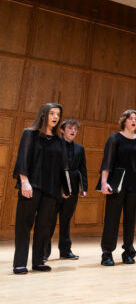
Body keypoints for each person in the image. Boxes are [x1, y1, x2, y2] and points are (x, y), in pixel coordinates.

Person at [12, 103, 67, 274]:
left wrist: (64, 188)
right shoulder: (30, 134)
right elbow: (23, 159)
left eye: (58, 114)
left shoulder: (59, 140)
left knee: (44, 226)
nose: (55, 117)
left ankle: (38, 261)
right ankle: (20, 262)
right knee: (24, 224)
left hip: (51, 188)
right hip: (32, 185)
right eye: (52, 113)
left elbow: (62, 166)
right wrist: (24, 181)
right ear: (44, 115)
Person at [99, 110, 136, 266]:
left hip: (135, 185)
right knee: (111, 219)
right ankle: (107, 253)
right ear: (124, 121)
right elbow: (107, 161)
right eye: (130, 118)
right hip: (117, 184)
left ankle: (128, 252)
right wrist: (103, 182)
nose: (134, 121)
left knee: (131, 220)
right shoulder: (115, 138)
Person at [45, 119, 88, 261]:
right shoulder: (55, 145)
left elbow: (83, 169)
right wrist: (59, 188)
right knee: (49, 221)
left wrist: (84, 188)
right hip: (55, 188)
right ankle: (44, 252)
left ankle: (65, 251)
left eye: (75, 129)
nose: (73, 131)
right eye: (70, 128)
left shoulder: (80, 148)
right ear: (62, 130)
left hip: (73, 189)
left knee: (66, 220)